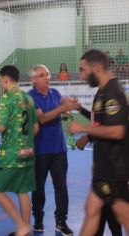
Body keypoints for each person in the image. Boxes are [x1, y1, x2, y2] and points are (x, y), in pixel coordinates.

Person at [69, 49, 129, 235]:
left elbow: (118, 131)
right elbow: (100, 122)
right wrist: (79, 109)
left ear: (95, 67)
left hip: (115, 169)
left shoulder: (113, 92)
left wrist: (83, 129)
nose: (81, 75)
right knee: (92, 210)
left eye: (82, 69)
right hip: (104, 167)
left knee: (122, 214)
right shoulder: (102, 92)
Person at [0, 65, 39, 236]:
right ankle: (25, 230)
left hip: (11, 155)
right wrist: (25, 143)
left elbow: (0, 127)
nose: (1, 84)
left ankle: (22, 226)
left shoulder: (7, 99)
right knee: (22, 192)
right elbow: (35, 128)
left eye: (1, 81)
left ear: (6, 79)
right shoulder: (29, 99)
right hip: (28, 153)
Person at [28, 64, 79, 236]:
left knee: (61, 187)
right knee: (38, 188)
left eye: (47, 74)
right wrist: (62, 109)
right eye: (42, 75)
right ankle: (38, 220)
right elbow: (41, 119)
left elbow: (63, 106)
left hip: (59, 149)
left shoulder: (55, 93)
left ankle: (61, 221)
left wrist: (71, 104)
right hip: (40, 151)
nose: (47, 77)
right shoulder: (29, 98)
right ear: (33, 79)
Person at [76, 106, 122, 236]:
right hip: (107, 172)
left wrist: (86, 136)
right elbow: (102, 121)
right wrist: (80, 109)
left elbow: (111, 128)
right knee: (102, 212)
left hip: (114, 174)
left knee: (107, 211)